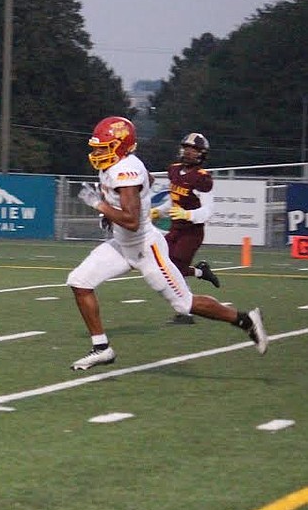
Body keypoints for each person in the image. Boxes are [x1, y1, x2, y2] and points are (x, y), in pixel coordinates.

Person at [66, 116, 267, 370]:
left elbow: (131, 222)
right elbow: (148, 181)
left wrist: (100, 205)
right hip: (121, 245)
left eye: (103, 147)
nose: (97, 152)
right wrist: (118, 208)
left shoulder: (124, 171)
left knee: (184, 304)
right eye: (96, 147)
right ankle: (102, 348)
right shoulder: (118, 165)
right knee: (79, 281)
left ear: (121, 145)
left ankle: (244, 320)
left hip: (145, 247)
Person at [155, 132, 219, 324]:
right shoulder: (174, 170)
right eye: (187, 148)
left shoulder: (202, 178)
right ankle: (200, 272)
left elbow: (208, 211)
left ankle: (186, 313)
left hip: (192, 231)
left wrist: (187, 215)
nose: (189, 153)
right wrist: (158, 211)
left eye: (194, 150)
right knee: (161, 263)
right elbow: (174, 200)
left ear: (201, 154)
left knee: (174, 269)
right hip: (175, 229)